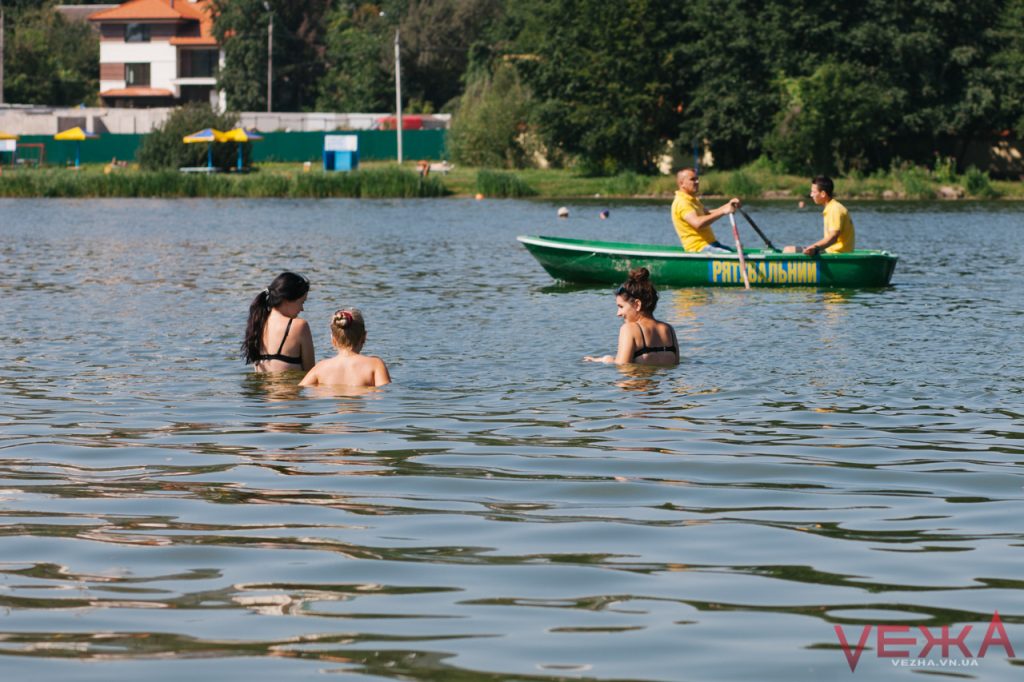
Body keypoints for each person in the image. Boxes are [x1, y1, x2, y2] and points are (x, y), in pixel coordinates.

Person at [584, 267, 679, 366]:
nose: (618, 313)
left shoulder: (629, 329)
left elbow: (622, 367)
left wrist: (606, 360)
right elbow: (676, 367)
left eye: (621, 307)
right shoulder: (669, 330)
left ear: (637, 304)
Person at [241, 272, 315, 372]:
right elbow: (311, 373)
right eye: (301, 302)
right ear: (287, 300)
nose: (302, 309)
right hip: (289, 386)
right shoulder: (300, 326)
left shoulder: (258, 323)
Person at [300, 308, 391, 387]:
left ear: (333, 340)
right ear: (364, 337)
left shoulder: (320, 367)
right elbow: (385, 397)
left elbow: (300, 390)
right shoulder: (375, 365)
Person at [671, 168, 743, 253]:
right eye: (693, 179)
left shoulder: (692, 200)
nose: (697, 182)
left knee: (735, 253)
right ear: (681, 183)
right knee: (730, 255)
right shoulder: (682, 202)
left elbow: (707, 214)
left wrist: (728, 206)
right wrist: (723, 211)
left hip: (711, 244)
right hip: (698, 248)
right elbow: (697, 223)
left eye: (697, 179)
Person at [784, 176, 855, 255]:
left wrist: (815, 247)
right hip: (834, 251)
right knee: (788, 249)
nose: (811, 195)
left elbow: (833, 237)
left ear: (823, 194)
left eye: (813, 192)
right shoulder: (833, 207)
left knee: (788, 250)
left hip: (836, 254)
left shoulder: (834, 209)